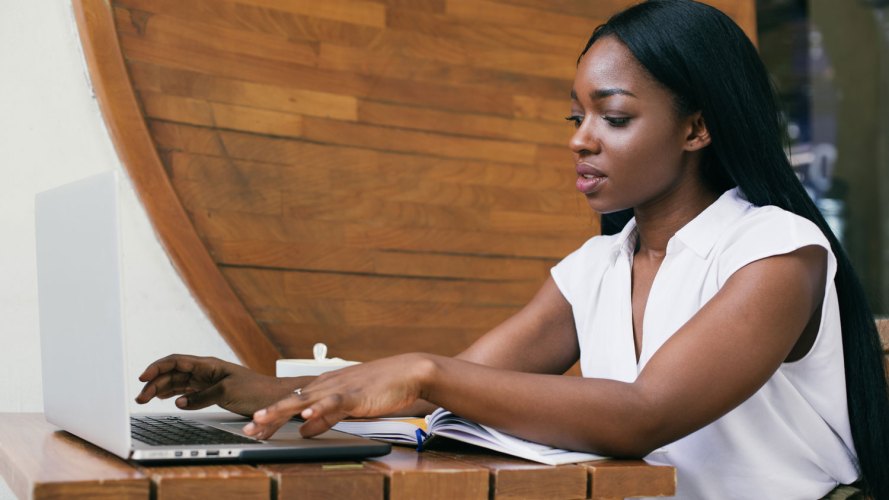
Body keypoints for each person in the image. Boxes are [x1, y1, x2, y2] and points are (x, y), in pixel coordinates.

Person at [135, 1, 889, 498]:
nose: (579, 138)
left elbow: (641, 414)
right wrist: (255, 393)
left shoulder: (777, 251)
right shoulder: (595, 266)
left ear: (695, 128)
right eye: (575, 115)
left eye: (613, 116)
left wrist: (428, 368)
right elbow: (443, 391)